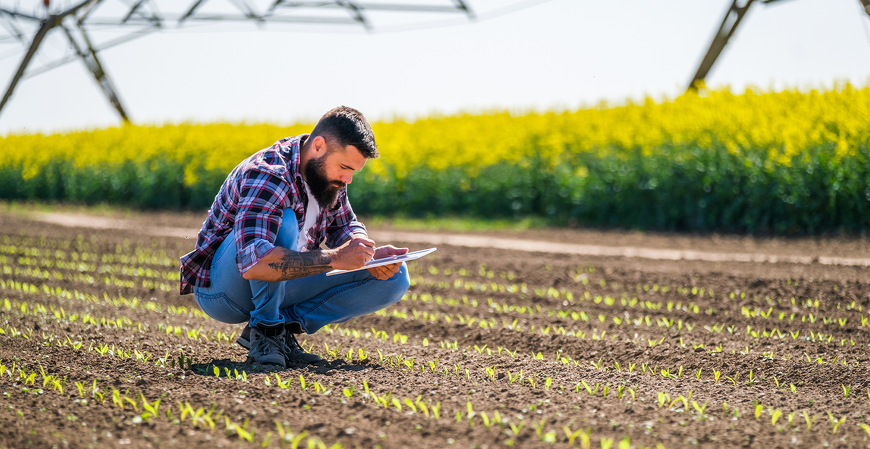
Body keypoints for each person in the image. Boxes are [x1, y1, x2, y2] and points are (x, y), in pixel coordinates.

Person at [179, 106, 410, 367]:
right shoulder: (268, 173)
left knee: (395, 277)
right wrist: (335, 258)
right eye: (345, 167)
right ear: (319, 146)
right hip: (223, 291)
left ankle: (282, 327)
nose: (348, 179)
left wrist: (366, 252)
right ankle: (266, 329)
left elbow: (345, 226)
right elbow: (254, 262)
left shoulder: (329, 176)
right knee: (285, 222)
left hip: (282, 280)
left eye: (353, 172)